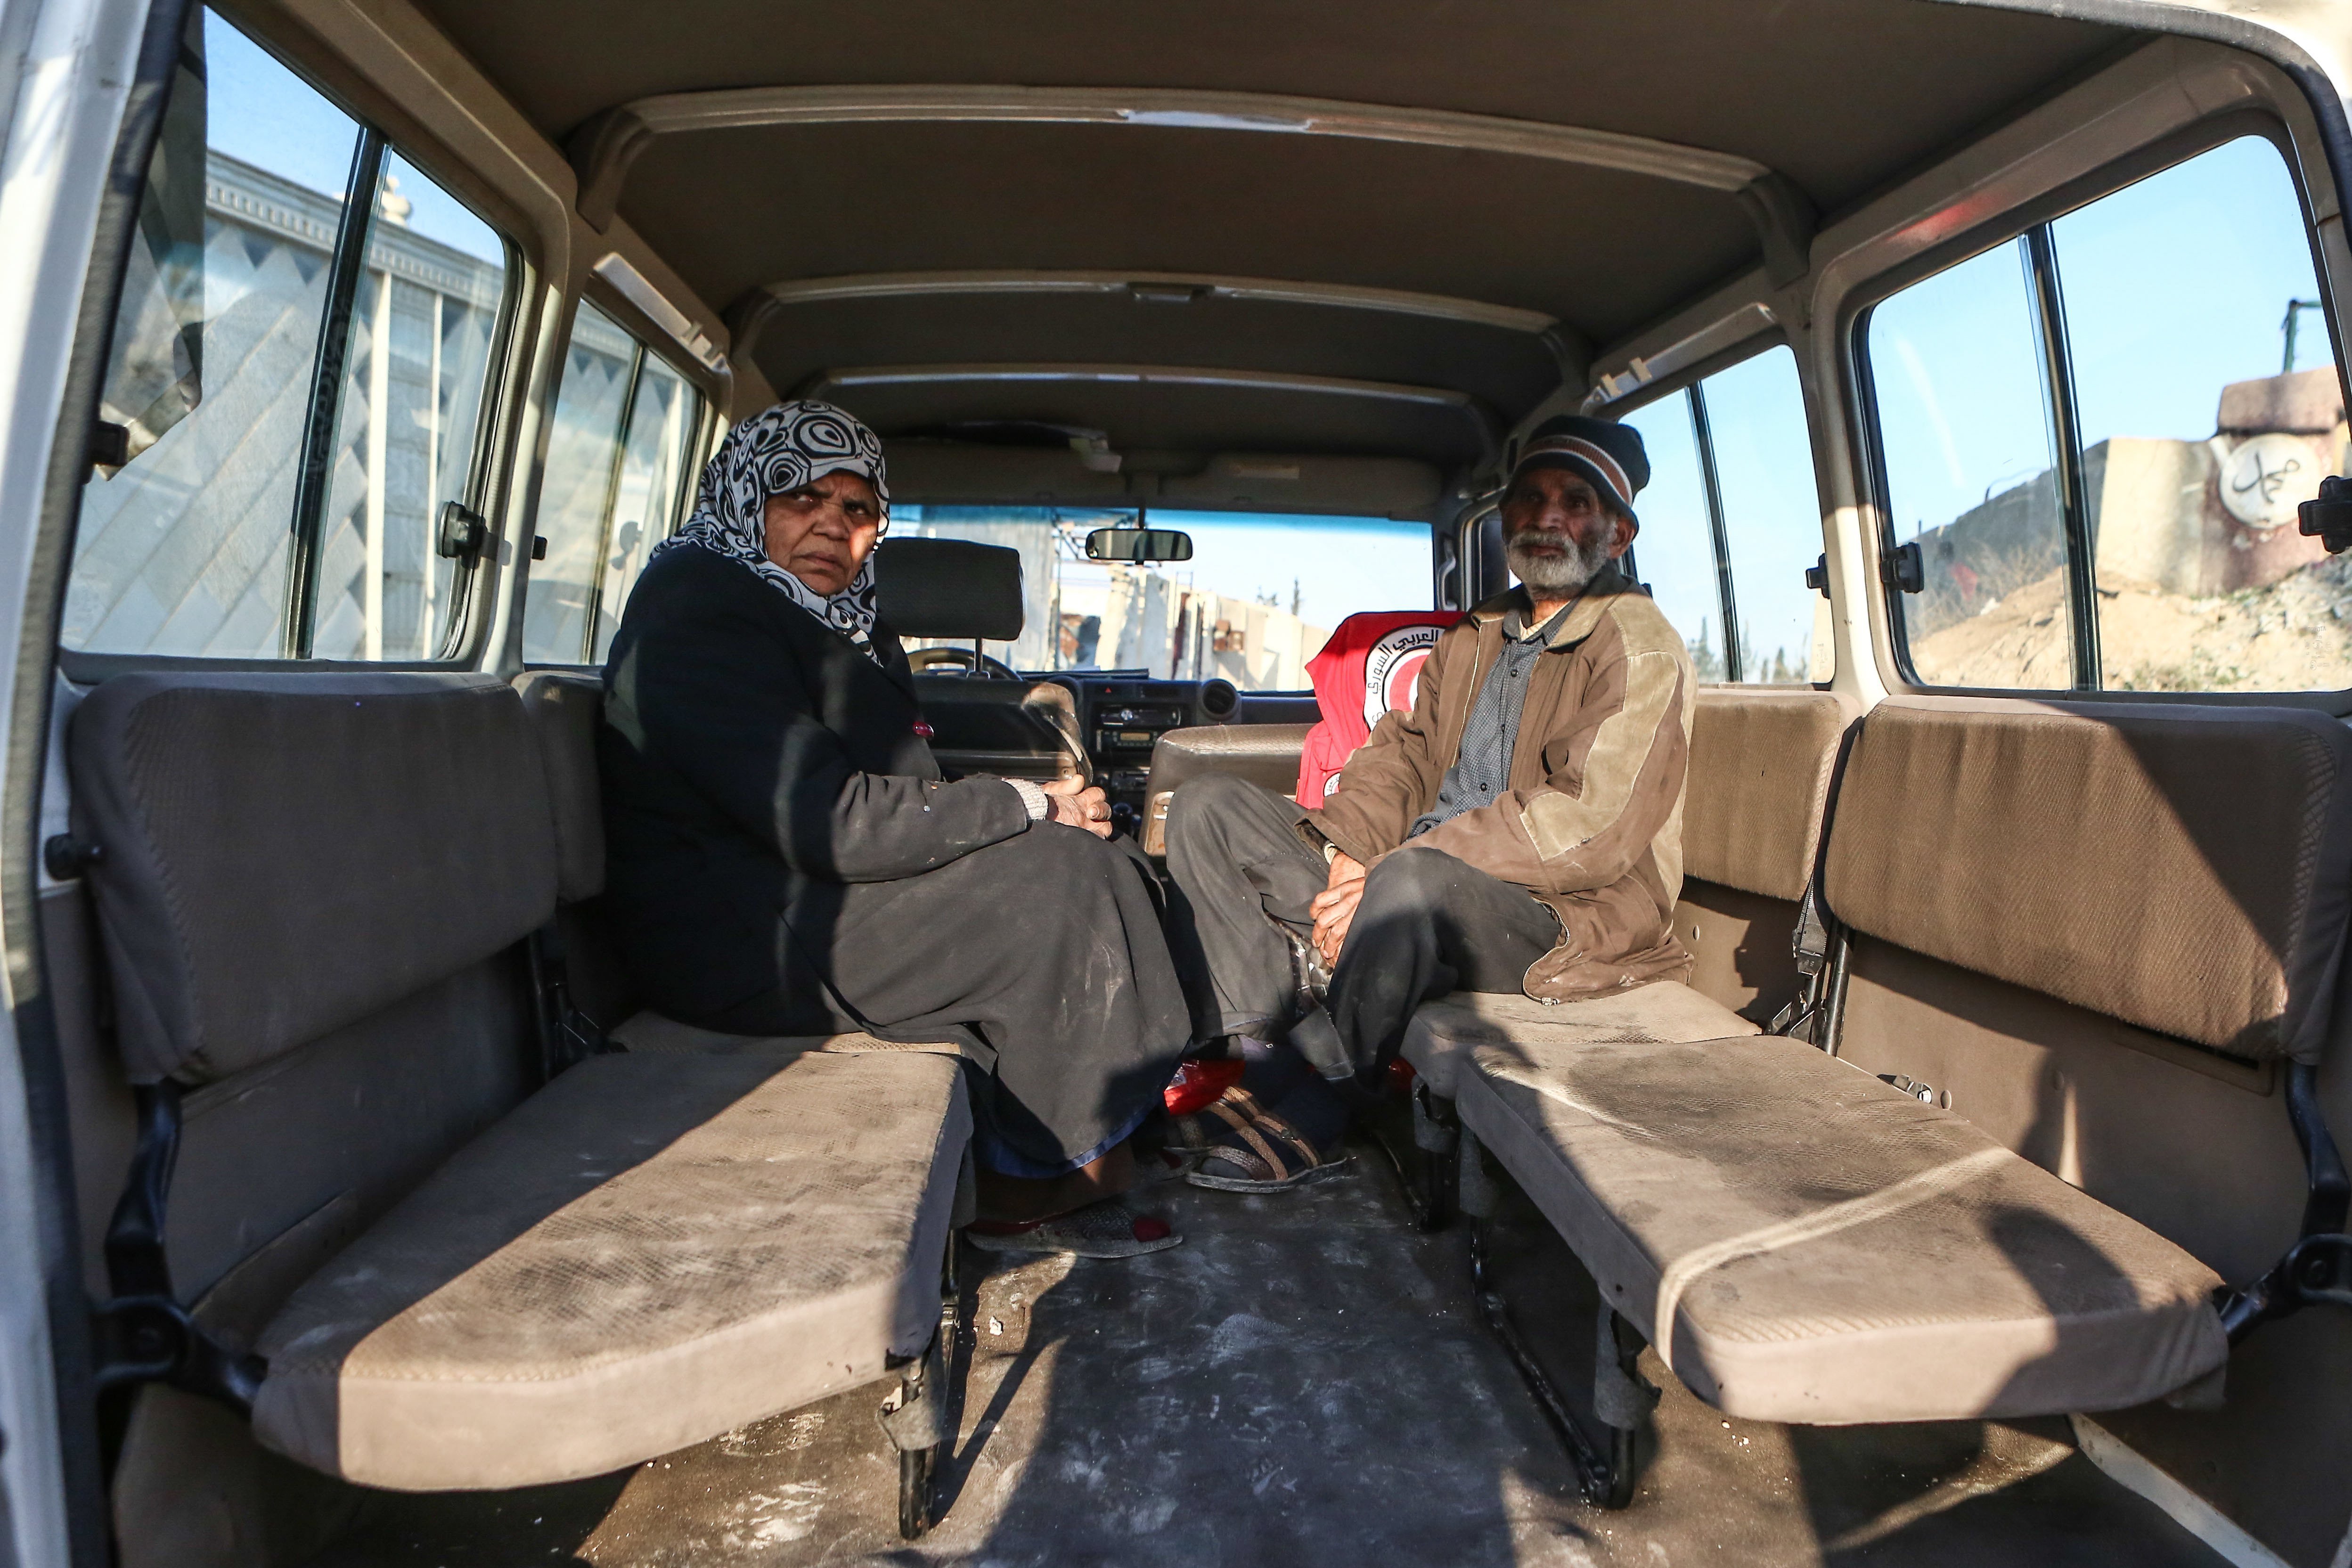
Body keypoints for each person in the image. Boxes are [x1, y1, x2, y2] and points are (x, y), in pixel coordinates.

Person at [597, 400, 1200, 1258]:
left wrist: (1043, 814)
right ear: (745, 496)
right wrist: (1027, 805)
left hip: (806, 895)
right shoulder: (698, 611)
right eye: (801, 495)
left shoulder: (842, 623)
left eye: (857, 508)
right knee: (1062, 884)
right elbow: (831, 821)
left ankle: (1119, 1113)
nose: (831, 525)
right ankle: (1035, 1177)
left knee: (1096, 856)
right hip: (742, 933)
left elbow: (888, 794)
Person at [1162, 415, 1696, 1189]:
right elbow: (1402, 754)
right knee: (1208, 806)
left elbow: (1590, 827)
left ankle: (1325, 1099)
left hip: (1560, 917)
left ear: (1618, 534)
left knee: (1415, 885)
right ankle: (1256, 1060)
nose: (1548, 517)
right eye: (1531, 497)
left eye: (1576, 502)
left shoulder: (1638, 644)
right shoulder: (1480, 631)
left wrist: (1393, 871)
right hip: (1411, 879)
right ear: (1506, 515)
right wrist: (1351, 855)